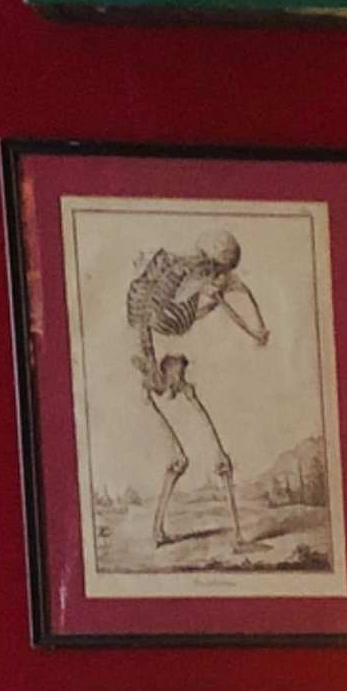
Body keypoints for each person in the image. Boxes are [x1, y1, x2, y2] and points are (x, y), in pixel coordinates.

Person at [124, 231, 271, 545]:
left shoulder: (176, 269)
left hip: (157, 359)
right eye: (222, 271)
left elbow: (179, 315)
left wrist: (243, 318)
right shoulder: (188, 279)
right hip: (155, 369)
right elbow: (178, 316)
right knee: (181, 460)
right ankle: (236, 536)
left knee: (182, 459)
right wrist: (252, 327)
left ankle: (161, 533)